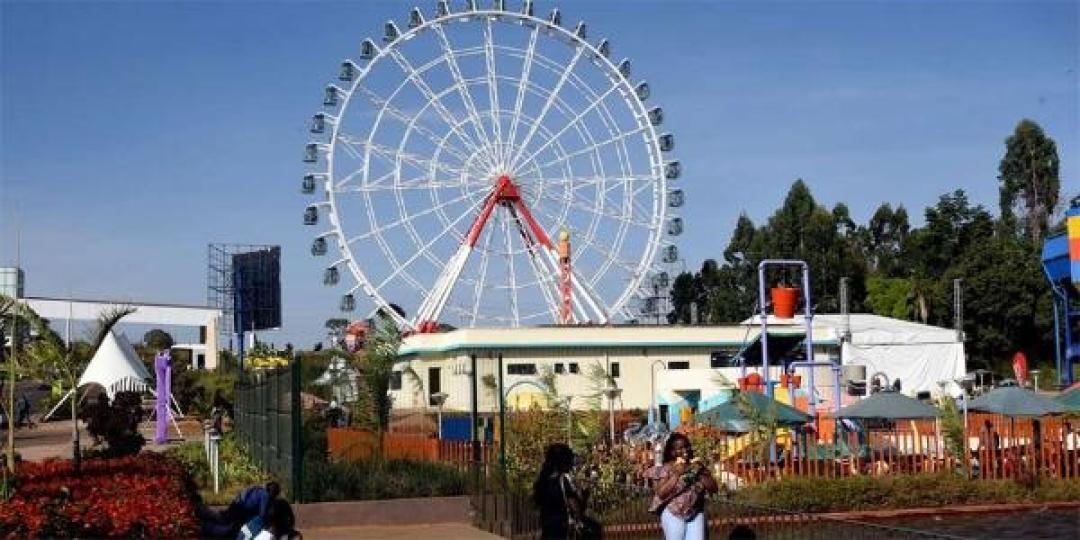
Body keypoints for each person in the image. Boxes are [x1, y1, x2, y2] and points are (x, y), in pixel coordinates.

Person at [646, 433, 718, 540]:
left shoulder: (697, 465)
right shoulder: (667, 468)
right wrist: (677, 474)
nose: (685, 451)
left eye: (686, 446)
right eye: (680, 448)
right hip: (673, 513)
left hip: (694, 513)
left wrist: (701, 472)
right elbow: (661, 493)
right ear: (672, 451)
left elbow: (714, 488)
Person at [533, 443, 600, 539]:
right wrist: (585, 493)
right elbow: (576, 508)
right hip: (562, 530)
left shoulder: (543, 481)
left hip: (547, 530)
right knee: (594, 528)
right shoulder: (563, 480)